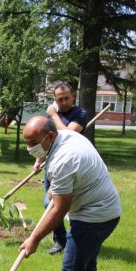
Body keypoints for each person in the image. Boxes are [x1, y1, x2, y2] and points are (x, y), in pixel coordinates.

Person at [20, 115, 121, 271]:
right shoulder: (67, 136)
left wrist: (34, 238)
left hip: (94, 216)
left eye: (32, 143)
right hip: (108, 209)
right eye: (26, 142)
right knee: (87, 262)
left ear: (50, 136)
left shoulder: (63, 161)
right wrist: (56, 188)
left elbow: (59, 208)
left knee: (72, 269)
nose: (29, 148)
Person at [41, 81, 89, 255]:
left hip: (70, 167)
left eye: (66, 98)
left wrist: (53, 115)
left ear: (73, 97)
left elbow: (69, 134)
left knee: (62, 204)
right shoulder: (54, 116)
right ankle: (60, 240)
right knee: (49, 204)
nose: (63, 102)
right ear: (55, 99)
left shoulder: (80, 113)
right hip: (52, 165)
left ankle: (75, 239)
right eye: (59, 99)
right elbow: (47, 139)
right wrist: (39, 159)